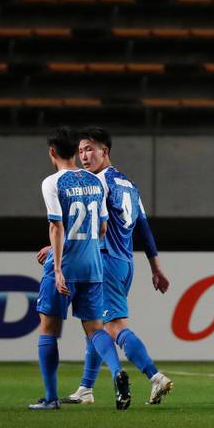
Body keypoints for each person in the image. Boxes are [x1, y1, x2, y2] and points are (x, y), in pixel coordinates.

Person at [39, 128, 173, 405]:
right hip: (126, 261)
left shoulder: (95, 182)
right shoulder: (128, 184)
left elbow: (88, 227)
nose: (84, 156)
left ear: (105, 151)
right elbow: (143, 228)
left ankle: (154, 376)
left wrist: (55, 248)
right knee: (94, 326)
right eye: (81, 151)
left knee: (111, 326)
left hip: (105, 260)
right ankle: (86, 388)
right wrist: (155, 266)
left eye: (90, 149)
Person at [30, 127, 130, 410]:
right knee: (96, 330)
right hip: (93, 265)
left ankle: (50, 398)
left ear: (52, 152)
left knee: (48, 329)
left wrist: (58, 267)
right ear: (76, 151)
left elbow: (56, 225)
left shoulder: (52, 183)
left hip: (66, 265)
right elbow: (101, 226)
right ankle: (116, 372)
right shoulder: (95, 181)